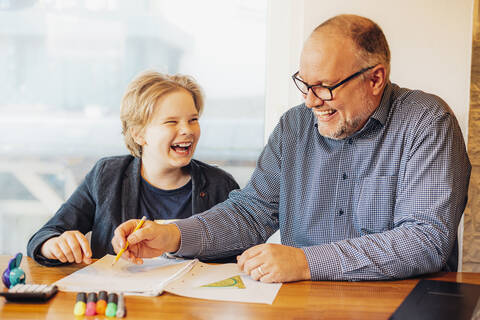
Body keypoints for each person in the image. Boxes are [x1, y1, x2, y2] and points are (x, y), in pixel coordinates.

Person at [111, 14, 471, 282]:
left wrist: (305, 261)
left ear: (375, 78)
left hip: (399, 304)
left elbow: (425, 240)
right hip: (301, 302)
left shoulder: (426, 121)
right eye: (304, 83)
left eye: (325, 86)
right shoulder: (294, 126)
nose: (311, 101)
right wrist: (172, 234)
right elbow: (251, 213)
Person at [27, 71, 239, 266]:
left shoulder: (220, 185)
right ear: (138, 134)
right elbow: (46, 234)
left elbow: (241, 252)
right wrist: (53, 245)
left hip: (189, 305)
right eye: (171, 122)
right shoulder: (106, 175)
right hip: (120, 302)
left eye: (193, 120)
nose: (187, 130)